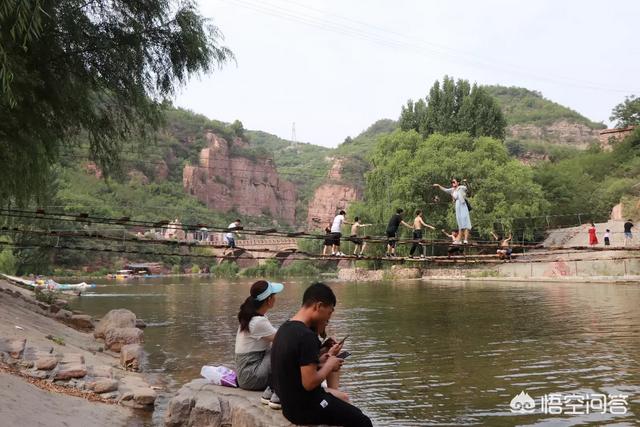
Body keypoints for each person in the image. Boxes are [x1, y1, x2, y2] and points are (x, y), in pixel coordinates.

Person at [271, 283, 373, 427]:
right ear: (318, 306)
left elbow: (293, 367)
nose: (327, 319)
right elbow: (309, 383)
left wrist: (319, 361)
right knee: (362, 421)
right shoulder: (306, 336)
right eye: (329, 313)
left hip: (289, 407)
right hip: (306, 409)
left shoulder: (285, 328)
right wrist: (330, 365)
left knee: (346, 408)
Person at [235, 280, 284, 409]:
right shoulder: (258, 322)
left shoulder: (252, 317)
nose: (276, 298)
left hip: (246, 374)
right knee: (282, 346)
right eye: (274, 295)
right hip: (251, 376)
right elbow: (285, 339)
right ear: (269, 300)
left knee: (278, 345)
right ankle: (277, 389)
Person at [433, 178, 472, 244]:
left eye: (454, 182)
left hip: (463, 205)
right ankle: (459, 240)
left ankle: (465, 240)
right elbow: (445, 190)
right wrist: (438, 185)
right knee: (460, 224)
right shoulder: (452, 190)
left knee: (466, 222)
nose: (452, 183)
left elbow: (468, 189)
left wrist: (466, 182)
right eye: (452, 182)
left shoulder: (461, 187)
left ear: (458, 182)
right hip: (457, 206)